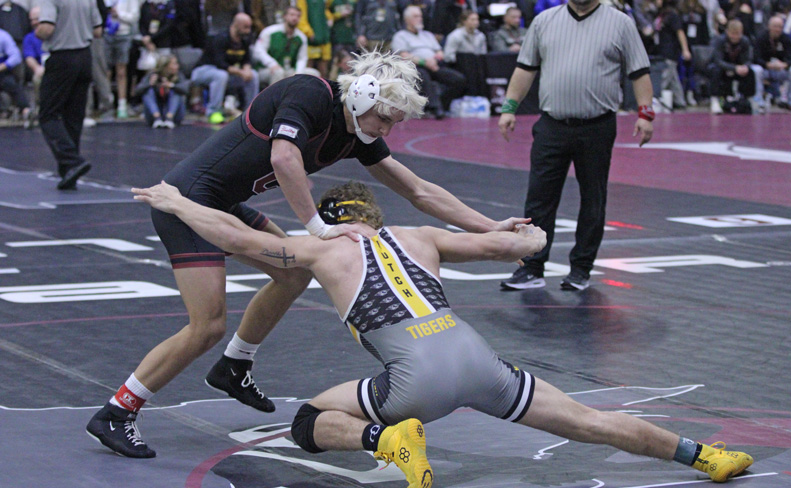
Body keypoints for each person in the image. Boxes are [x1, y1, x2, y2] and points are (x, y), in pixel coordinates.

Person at [133, 179, 755, 488]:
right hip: (477, 361)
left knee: (309, 419)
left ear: (331, 218)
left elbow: (238, 239)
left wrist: (177, 201)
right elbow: (512, 244)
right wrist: (527, 234)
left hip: (414, 377)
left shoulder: (318, 248)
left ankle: (388, 441)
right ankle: (704, 455)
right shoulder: (418, 237)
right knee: (589, 419)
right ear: (373, 215)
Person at [85, 51, 528, 459]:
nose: (386, 131)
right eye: (384, 120)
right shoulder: (310, 92)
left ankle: (234, 366)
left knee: (294, 274)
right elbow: (283, 159)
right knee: (207, 326)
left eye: (394, 124)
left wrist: (489, 226)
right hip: (188, 203)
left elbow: (418, 189)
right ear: (360, 96)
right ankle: (117, 412)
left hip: (222, 203)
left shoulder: (357, 129)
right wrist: (318, 228)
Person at [498, 0, 654, 291]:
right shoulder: (544, 21)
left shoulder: (620, 23)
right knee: (539, 198)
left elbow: (639, 71)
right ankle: (531, 267)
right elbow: (525, 68)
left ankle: (581, 269)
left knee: (593, 197)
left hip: (597, 125)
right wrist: (509, 106)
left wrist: (646, 114)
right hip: (552, 124)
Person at [36, 0, 102, 190]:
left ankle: (72, 161)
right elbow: (98, 31)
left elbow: (46, 29)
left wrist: (36, 32)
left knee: (48, 114)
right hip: (84, 58)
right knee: (73, 116)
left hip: (62, 58)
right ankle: (69, 171)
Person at [391, 5, 467, 118]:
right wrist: (424, 62)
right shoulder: (400, 36)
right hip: (415, 67)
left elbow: (440, 52)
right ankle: (435, 108)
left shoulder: (428, 35)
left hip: (434, 65)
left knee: (458, 79)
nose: (420, 18)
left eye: (420, 16)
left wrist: (434, 60)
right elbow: (404, 55)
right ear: (407, 20)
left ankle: (442, 104)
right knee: (423, 76)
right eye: (416, 16)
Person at [190, 12, 258, 124]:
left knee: (253, 75)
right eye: (245, 27)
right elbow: (220, 63)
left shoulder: (244, 40)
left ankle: (251, 112)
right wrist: (241, 73)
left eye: (249, 27)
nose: (248, 31)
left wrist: (247, 70)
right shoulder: (220, 38)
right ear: (236, 25)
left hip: (227, 73)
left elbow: (246, 60)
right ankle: (213, 112)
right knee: (221, 75)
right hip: (203, 71)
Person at [251, 5, 315, 87]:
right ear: (284, 16)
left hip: (288, 70)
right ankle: (274, 99)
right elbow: (258, 51)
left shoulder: (301, 37)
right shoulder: (270, 32)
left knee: (313, 74)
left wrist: (298, 73)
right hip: (267, 69)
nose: (295, 18)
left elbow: (302, 58)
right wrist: (271, 64)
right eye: (292, 15)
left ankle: (302, 99)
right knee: (278, 73)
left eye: (298, 16)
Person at [708, 19, 757, 114]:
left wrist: (745, 67)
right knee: (715, 70)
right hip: (723, 68)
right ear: (727, 32)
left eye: (738, 34)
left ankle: (748, 98)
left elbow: (749, 59)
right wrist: (734, 68)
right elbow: (718, 61)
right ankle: (715, 99)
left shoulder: (745, 41)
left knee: (751, 72)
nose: (735, 37)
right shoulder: (720, 41)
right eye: (733, 34)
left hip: (739, 68)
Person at [753, 15, 791, 110]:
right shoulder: (761, 38)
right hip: (765, 69)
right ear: (769, 26)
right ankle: (758, 101)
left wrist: (784, 64)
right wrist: (767, 64)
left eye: (780, 27)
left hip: (780, 70)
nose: (778, 29)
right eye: (775, 26)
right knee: (756, 70)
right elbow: (756, 58)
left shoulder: (786, 38)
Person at [105, 0, 140, 119]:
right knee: (106, 71)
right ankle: (107, 104)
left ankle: (122, 105)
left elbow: (134, 17)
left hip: (123, 34)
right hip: (107, 33)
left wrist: (119, 14)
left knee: (121, 71)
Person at [134, 54, 189, 128]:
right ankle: (157, 117)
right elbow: (137, 91)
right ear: (165, 66)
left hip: (175, 115)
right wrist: (149, 84)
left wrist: (171, 86)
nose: (177, 66)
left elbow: (186, 90)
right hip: (153, 115)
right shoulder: (152, 75)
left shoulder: (179, 76)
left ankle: (169, 118)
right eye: (174, 64)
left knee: (176, 92)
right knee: (148, 91)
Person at [656, 0, 692, 109]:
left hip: (670, 51)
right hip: (662, 50)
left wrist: (685, 49)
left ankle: (655, 98)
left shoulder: (673, 15)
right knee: (673, 78)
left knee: (666, 77)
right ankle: (680, 101)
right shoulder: (662, 14)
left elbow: (680, 32)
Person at [0, 27, 29, 121]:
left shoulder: (3, 36)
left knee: (12, 85)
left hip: (2, 73)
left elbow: (16, 56)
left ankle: (26, 111)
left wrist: (3, 66)